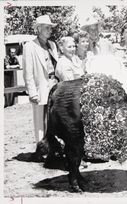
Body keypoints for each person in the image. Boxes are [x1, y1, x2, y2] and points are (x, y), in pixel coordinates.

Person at [22, 15, 58, 146]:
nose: (50, 30)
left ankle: (52, 147)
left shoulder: (52, 45)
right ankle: (40, 149)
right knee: (40, 121)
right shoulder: (30, 46)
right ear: (38, 29)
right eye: (47, 28)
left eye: (50, 28)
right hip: (40, 87)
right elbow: (28, 72)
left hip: (54, 84)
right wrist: (32, 92)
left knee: (52, 118)